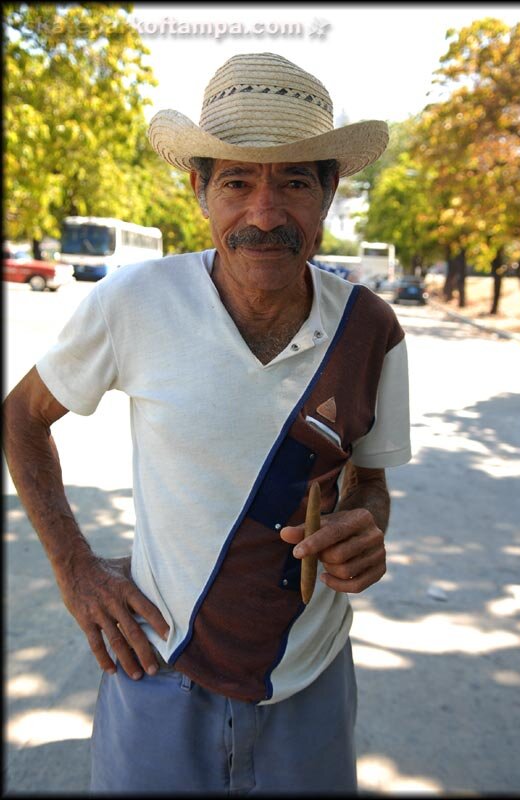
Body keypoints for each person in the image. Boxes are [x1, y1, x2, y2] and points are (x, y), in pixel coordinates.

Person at [3, 52, 411, 794]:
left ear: (327, 193)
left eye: (291, 181)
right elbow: (22, 417)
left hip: (309, 681)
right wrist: (76, 570)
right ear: (198, 192)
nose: (264, 214)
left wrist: (364, 526)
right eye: (235, 182)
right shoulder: (133, 303)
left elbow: (369, 481)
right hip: (156, 669)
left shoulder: (371, 329)